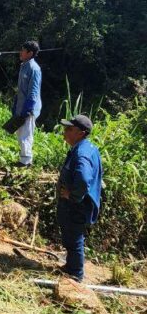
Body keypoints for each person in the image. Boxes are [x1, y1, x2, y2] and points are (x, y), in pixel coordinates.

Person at [57, 115, 103, 282]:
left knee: (74, 239)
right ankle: (70, 267)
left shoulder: (82, 154)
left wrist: (73, 196)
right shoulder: (87, 148)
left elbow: (83, 179)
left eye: (69, 129)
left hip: (76, 206)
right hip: (77, 204)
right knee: (71, 237)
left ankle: (75, 276)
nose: (65, 132)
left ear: (81, 133)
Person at [13, 40, 42, 167]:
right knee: (20, 133)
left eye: (23, 50)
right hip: (21, 106)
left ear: (30, 53)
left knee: (26, 134)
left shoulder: (34, 68)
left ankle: (26, 162)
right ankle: (23, 159)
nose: (21, 52)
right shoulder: (23, 66)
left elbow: (33, 92)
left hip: (29, 108)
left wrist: (27, 109)